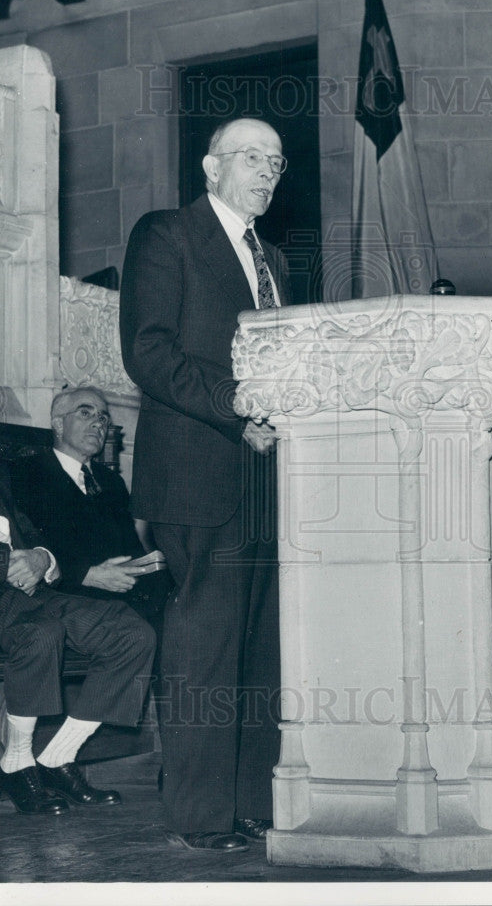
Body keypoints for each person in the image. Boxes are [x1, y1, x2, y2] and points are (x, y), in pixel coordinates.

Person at [119, 118, 289, 852]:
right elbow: (148, 352)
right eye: (252, 156)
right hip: (196, 472)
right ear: (210, 165)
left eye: (277, 162)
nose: (267, 171)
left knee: (258, 652)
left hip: (267, 480)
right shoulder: (168, 234)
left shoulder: (274, 258)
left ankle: (247, 801)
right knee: (203, 650)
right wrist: (239, 411)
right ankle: (198, 814)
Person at [0, 462, 156, 814]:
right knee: (41, 634)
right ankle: (15, 765)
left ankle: (56, 758)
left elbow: (35, 536)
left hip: (33, 591)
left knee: (132, 634)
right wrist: (5, 563)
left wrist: (42, 557)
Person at [11, 386, 173, 633]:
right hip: (66, 592)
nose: (98, 423)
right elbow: (31, 542)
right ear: (58, 424)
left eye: (103, 417)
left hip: (122, 591)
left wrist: (150, 565)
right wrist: (87, 574)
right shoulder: (29, 472)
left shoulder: (111, 481)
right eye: (85, 413)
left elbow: (131, 547)